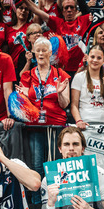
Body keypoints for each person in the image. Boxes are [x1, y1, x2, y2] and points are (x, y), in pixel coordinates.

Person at [18, 35, 71, 176]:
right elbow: (22, 107)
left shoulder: (61, 75)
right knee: (36, 166)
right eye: (38, 50)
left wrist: (59, 93)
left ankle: (55, 196)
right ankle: (37, 199)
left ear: (50, 52)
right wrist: (26, 96)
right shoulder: (27, 76)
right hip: (35, 126)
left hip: (55, 125)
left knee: (55, 165)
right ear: (34, 52)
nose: (41, 53)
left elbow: (65, 103)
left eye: (44, 50)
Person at [70, 44, 104, 169]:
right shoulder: (79, 77)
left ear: (103, 60)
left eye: (98, 58)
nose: (95, 60)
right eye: (92, 57)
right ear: (87, 58)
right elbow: (73, 104)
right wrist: (79, 121)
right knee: (84, 163)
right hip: (85, 126)